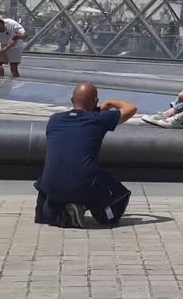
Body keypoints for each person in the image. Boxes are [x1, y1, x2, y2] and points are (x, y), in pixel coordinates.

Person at [35, 82, 137, 228]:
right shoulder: (97, 120)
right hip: (83, 186)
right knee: (115, 189)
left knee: (53, 172)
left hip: (51, 186)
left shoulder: (54, 119)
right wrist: (108, 103)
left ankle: (46, 214)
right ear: (95, 102)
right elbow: (131, 109)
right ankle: (104, 215)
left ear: (71, 100)